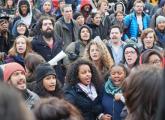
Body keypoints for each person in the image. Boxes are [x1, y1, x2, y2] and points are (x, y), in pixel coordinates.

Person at [31, 15, 65, 84]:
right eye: (45, 24)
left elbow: (62, 62)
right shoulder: (35, 43)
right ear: (41, 28)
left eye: (50, 24)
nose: (48, 26)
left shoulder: (59, 41)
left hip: (58, 78)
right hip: (43, 78)